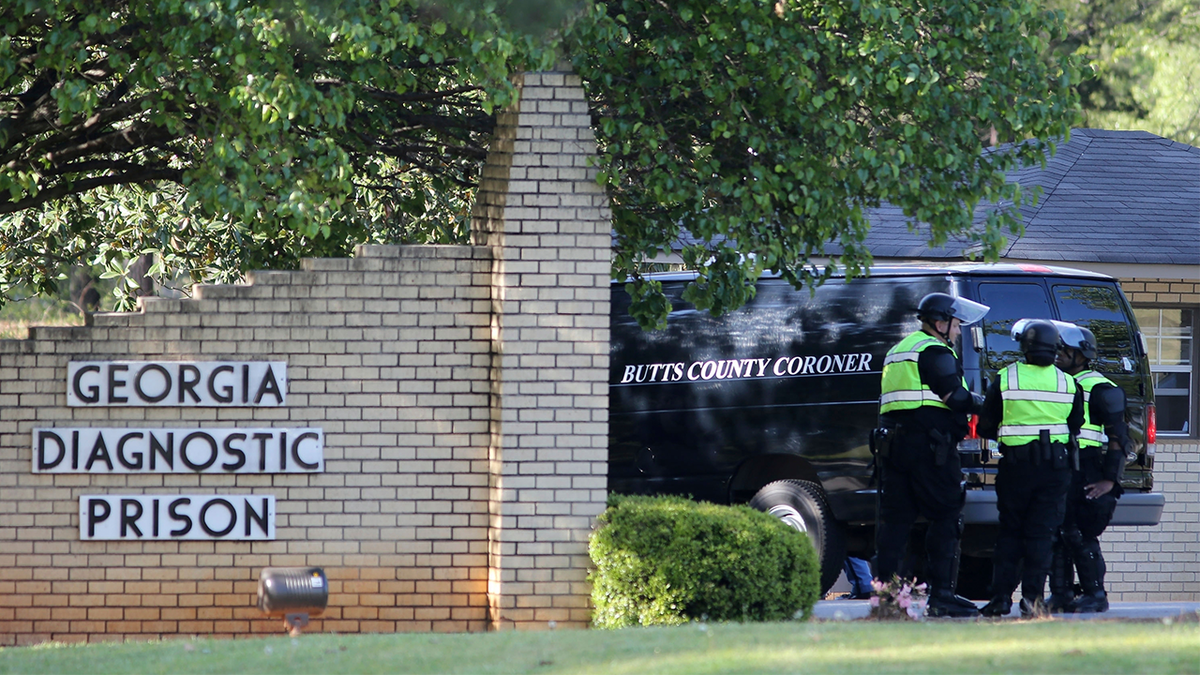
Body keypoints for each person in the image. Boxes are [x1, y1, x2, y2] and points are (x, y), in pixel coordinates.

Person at [874, 292, 989, 618]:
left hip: (895, 449)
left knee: (895, 523)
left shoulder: (899, 350)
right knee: (946, 515)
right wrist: (982, 402)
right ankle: (942, 596)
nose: (956, 331)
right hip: (930, 450)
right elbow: (954, 397)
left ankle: (888, 599)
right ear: (940, 323)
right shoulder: (934, 350)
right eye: (955, 325)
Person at [978, 319, 1085, 618]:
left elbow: (986, 425)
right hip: (1055, 468)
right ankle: (1033, 601)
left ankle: (1000, 598)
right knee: (1042, 534)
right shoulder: (1068, 383)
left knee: (1011, 532)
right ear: (1056, 349)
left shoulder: (1006, 377)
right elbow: (1075, 424)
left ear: (1024, 347)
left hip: (1016, 467)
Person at [1046, 322, 1128, 613]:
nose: (1058, 354)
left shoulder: (1102, 388)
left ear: (1082, 354)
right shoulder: (1055, 383)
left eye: (1064, 349)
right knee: (1057, 533)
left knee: (1079, 533)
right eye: (1056, 348)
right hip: (1060, 467)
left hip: (1087, 467)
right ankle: (1061, 593)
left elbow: (1120, 437)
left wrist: (1110, 480)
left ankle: (1095, 594)